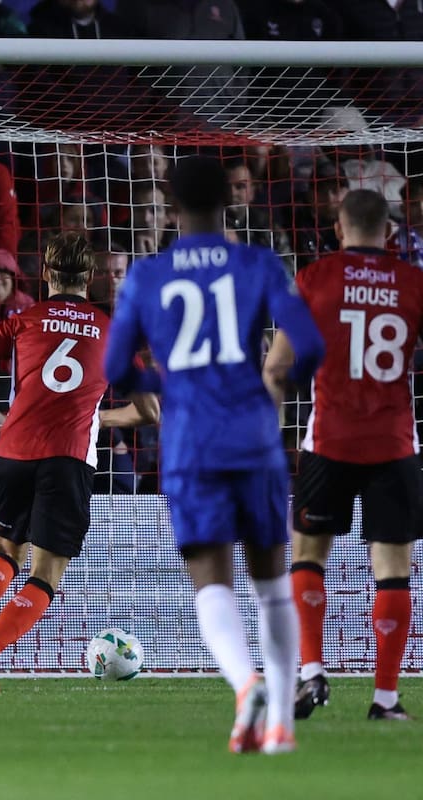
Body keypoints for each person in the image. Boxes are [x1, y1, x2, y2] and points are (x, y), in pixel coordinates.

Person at [104, 156, 325, 755]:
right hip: (254, 434)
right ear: (231, 199)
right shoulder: (258, 263)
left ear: (171, 203)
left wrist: (166, 383)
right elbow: (307, 346)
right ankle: (279, 721)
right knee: (272, 582)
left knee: (211, 582)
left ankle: (244, 682)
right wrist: (273, 382)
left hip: (192, 440)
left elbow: (116, 368)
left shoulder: (147, 276)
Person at [0, 231, 159, 692]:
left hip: (12, 450)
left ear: (45, 274)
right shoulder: (114, 330)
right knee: (46, 573)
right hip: (68, 458)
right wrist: (94, 415)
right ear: (93, 277)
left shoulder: (23, 319)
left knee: (5, 552)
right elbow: (148, 412)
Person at [264, 189, 423, 722]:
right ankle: (384, 700)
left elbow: (277, 367)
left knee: (309, 557)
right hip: (394, 443)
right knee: (393, 570)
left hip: (329, 440)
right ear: (390, 232)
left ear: (338, 227)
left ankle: (311, 676)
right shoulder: (414, 283)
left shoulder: (314, 278)